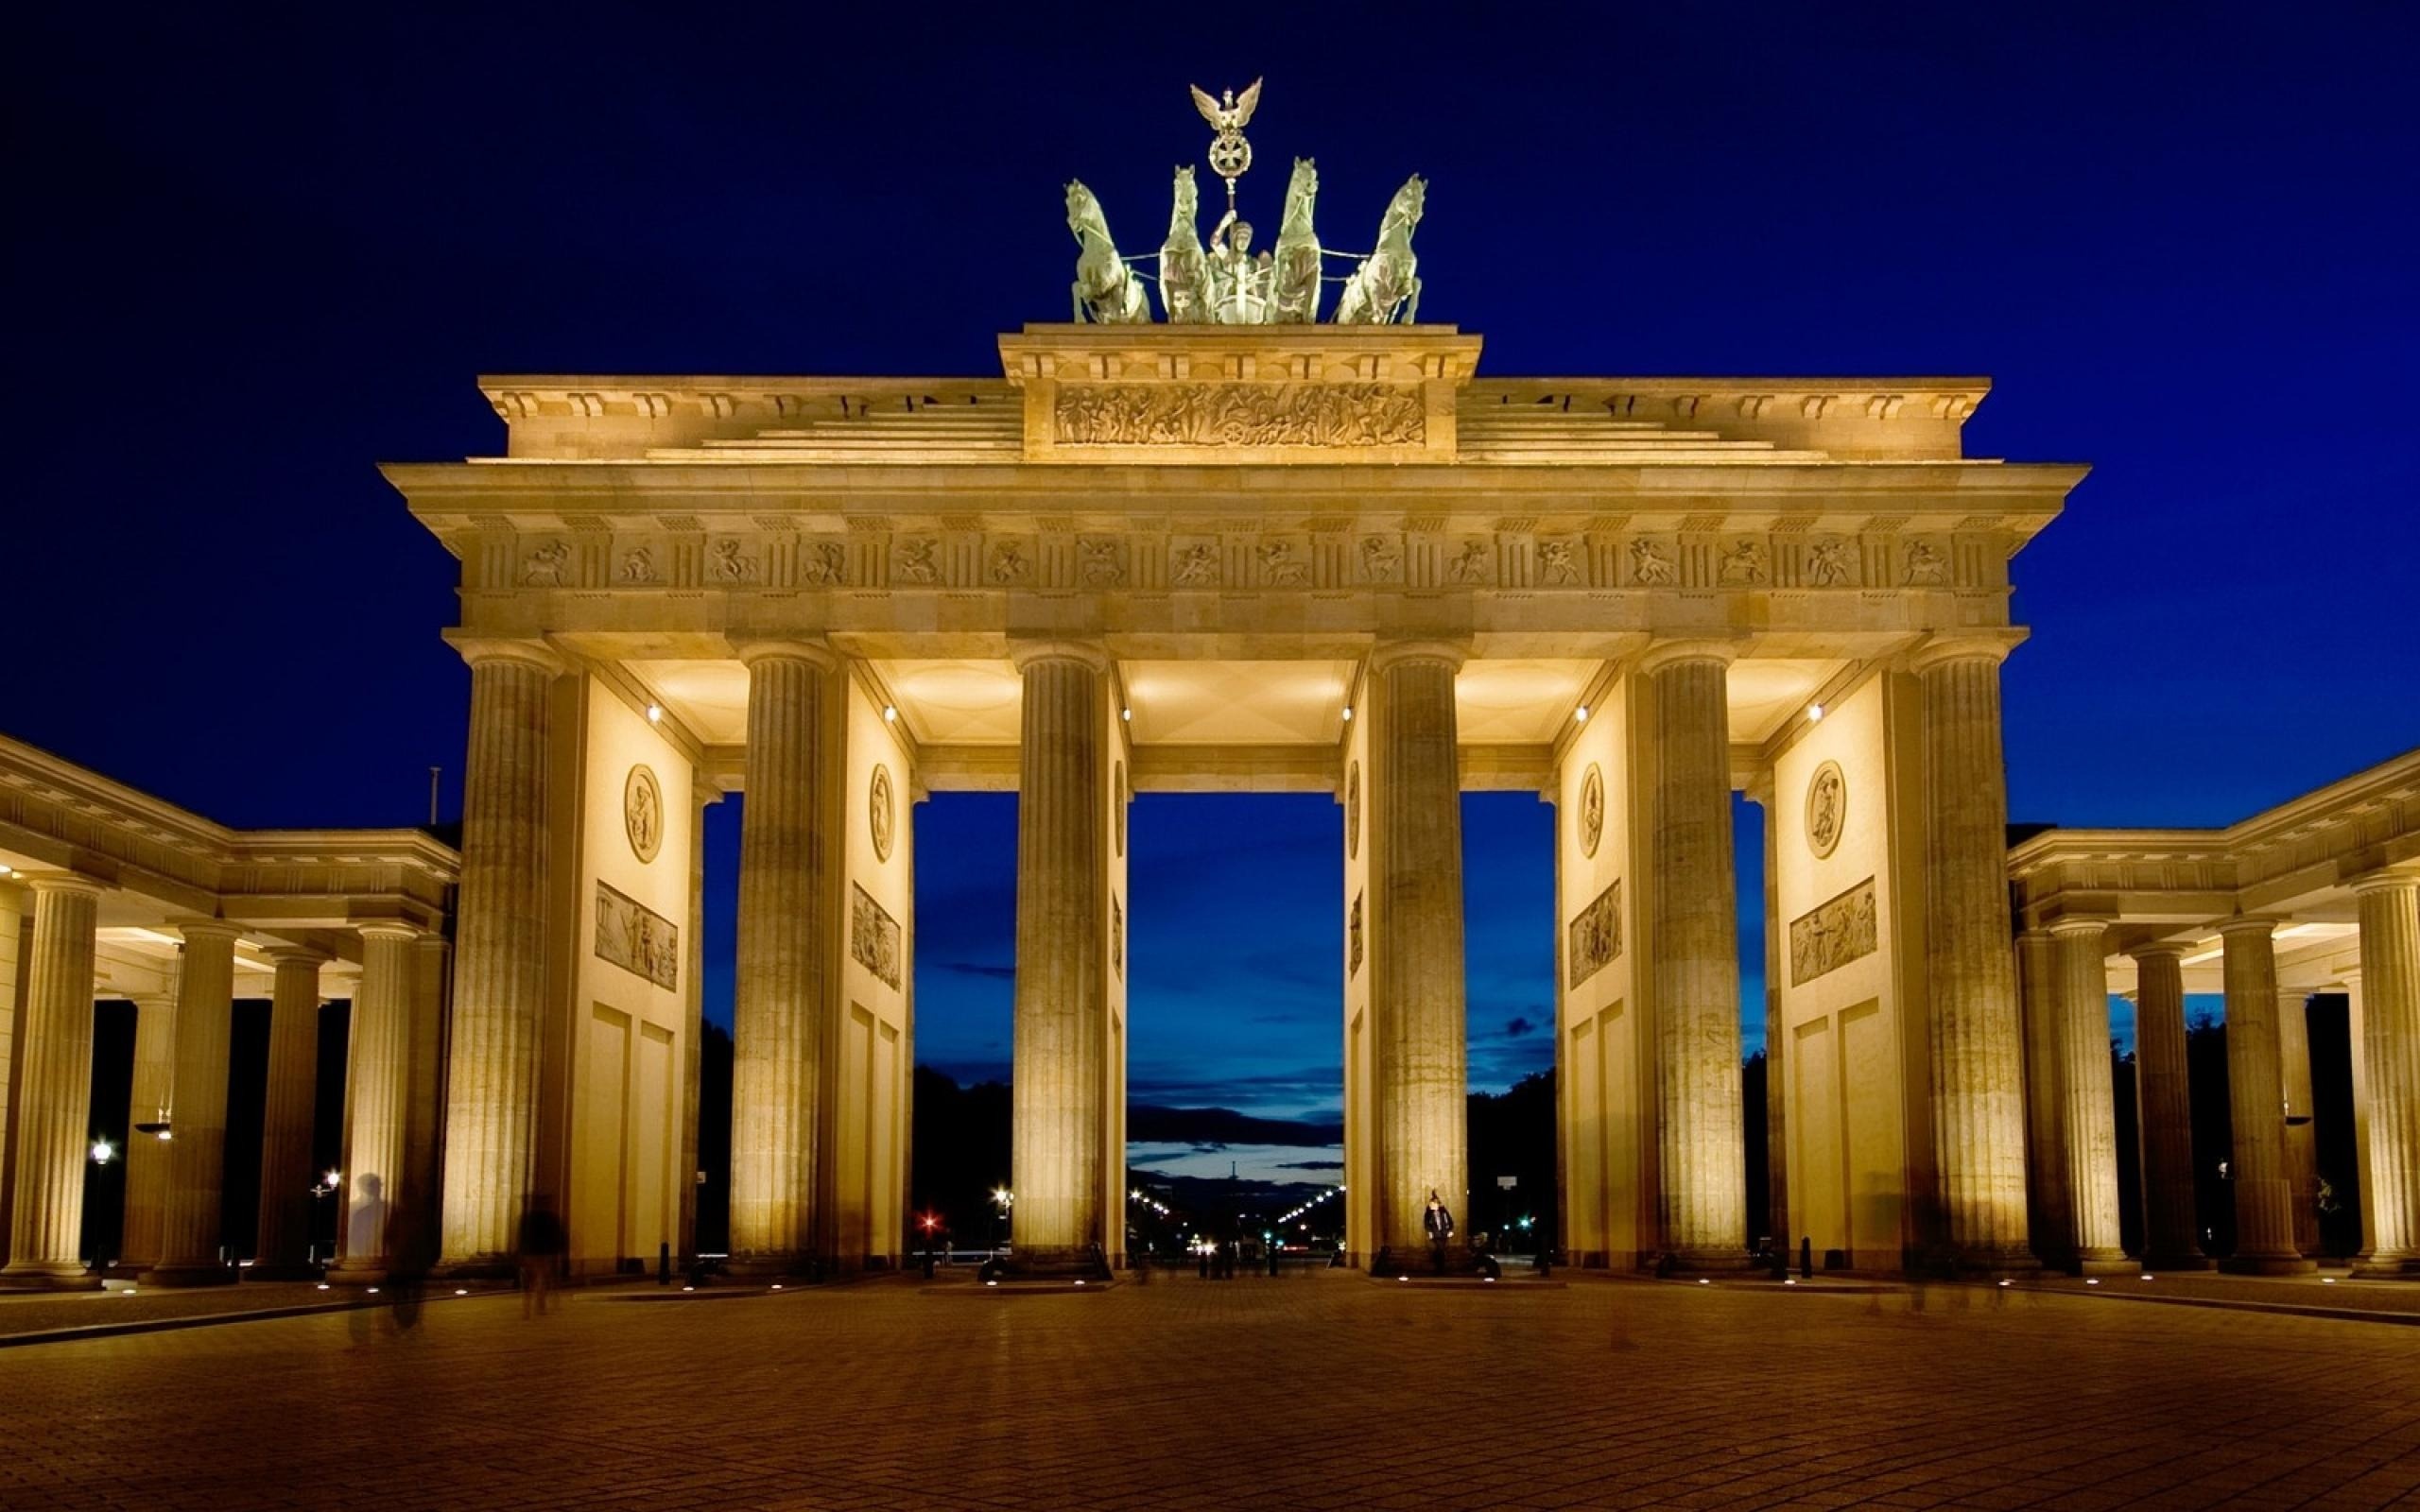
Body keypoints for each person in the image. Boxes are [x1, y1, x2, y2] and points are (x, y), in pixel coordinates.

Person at [516, 1195, 566, 1318]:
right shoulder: (551, 1217)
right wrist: (559, 1250)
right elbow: (558, 1235)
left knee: (529, 1278)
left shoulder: (527, 1217)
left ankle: (526, 1307)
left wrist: (520, 1252)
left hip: (530, 1252)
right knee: (541, 1276)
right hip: (545, 1252)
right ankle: (540, 1305)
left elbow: (522, 1236)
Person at [1424, 1189, 1455, 1272]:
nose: (1430, 1205)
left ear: (1436, 1204)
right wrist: (1429, 1231)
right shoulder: (1429, 1213)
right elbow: (1426, 1223)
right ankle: (1440, 1267)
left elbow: (1450, 1220)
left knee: (1440, 1250)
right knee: (1440, 1249)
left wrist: (1451, 1230)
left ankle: (1439, 1267)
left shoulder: (1443, 1212)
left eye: (1432, 1204)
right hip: (1436, 1234)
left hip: (1444, 1233)